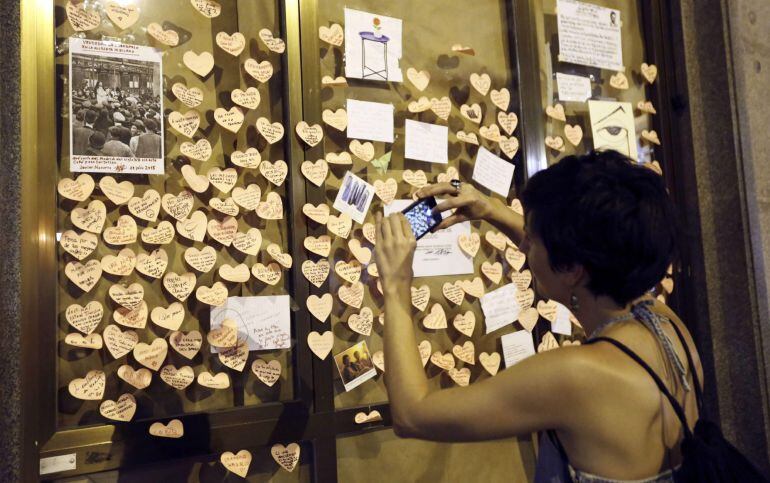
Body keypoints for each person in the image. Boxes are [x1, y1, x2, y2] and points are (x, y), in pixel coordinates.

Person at [375, 150, 703, 482]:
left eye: (532, 241)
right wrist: (489, 209)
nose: (523, 247)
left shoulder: (574, 375)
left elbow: (411, 415)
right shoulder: (664, 322)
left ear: (572, 269)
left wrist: (395, 282)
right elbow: (573, 257)